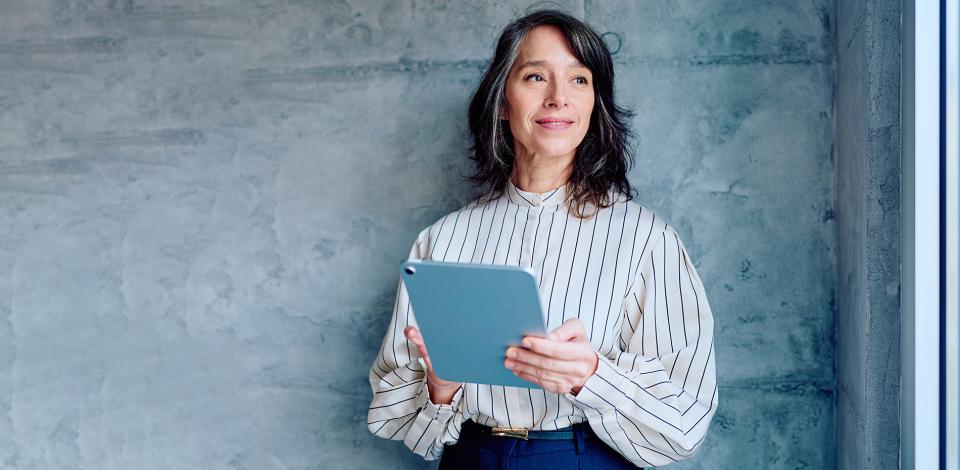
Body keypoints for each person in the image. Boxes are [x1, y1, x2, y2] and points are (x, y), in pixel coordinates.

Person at [367, 9, 717, 469]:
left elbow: (685, 423)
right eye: (535, 77)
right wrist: (440, 388)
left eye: (579, 80)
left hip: (582, 457)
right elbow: (395, 421)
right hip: (470, 457)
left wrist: (593, 376)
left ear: (595, 104)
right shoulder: (442, 239)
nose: (558, 98)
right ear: (502, 100)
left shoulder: (647, 239)